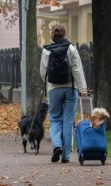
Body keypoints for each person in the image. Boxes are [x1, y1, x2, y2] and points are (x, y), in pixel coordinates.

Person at [39, 24, 87, 163]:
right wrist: (82, 88)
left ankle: (57, 146)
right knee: (68, 121)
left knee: (54, 119)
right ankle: (66, 156)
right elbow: (77, 69)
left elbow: (43, 72)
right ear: (64, 34)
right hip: (70, 88)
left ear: (52, 35)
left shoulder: (46, 50)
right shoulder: (71, 48)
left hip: (53, 88)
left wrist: (49, 82)